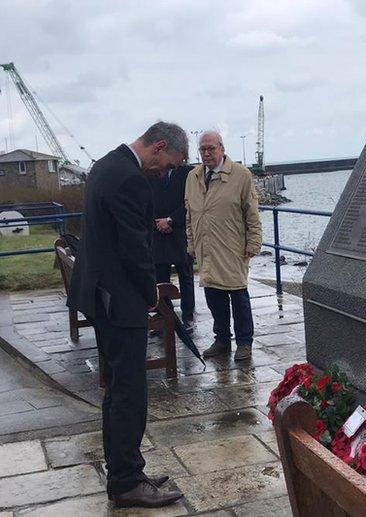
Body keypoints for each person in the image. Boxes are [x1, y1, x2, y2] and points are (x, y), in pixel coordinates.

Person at [66, 121, 188, 508]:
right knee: (130, 393)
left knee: (117, 389)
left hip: (100, 295)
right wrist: (151, 291)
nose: (166, 172)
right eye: (169, 164)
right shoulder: (131, 179)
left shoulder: (105, 165)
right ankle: (127, 483)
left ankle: (125, 470)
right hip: (119, 302)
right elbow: (135, 246)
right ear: (159, 146)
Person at [184, 131, 262, 362]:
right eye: (203, 149)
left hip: (233, 246)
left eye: (211, 148)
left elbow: (252, 213)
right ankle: (222, 339)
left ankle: (244, 342)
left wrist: (254, 243)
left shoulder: (241, 175)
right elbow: (189, 214)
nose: (206, 153)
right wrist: (191, 243)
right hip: (205, 248)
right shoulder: (193, 177)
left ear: (222, 148)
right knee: (213, 296)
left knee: (238, 296)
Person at [151, 163, 195, 331]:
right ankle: (163, 313)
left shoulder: (187, 172)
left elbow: (191, 202)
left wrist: (171, 220)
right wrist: (158, 222)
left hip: (180, 232)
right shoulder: (150, 171)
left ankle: (188, 316)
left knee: (186, 276)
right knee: (159, 278)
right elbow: (144, 201)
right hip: (157, 233)